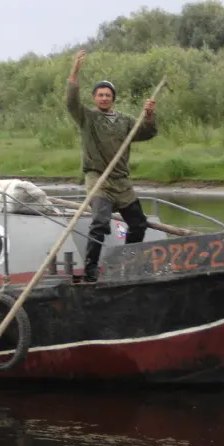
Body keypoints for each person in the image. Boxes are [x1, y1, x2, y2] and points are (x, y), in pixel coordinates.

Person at [65, 49, 158, 282]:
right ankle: (90, 271)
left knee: (138, 224)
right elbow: (71, 102)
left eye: (108, 95)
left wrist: (148, 116)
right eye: (100, 95)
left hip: (121, 182)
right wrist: (74, 72)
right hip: (99, 180)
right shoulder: (87, 118)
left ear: (113, 98)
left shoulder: (125, 121)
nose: (104, 98)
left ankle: (124, 263)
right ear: (95, 98)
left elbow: (147, 132)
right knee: (100, 223)